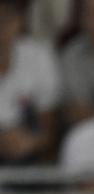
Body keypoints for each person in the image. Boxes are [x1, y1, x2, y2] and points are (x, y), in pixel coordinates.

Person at [0, 0, 60, 166]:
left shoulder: (39, 57)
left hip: (26, 154)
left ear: (19, 22)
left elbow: (49, 130)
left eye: (5, 21)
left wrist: (31, 142)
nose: (1, 30)